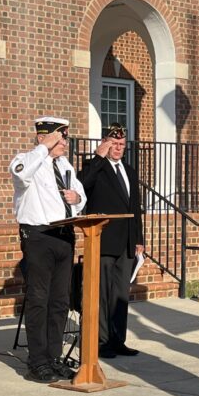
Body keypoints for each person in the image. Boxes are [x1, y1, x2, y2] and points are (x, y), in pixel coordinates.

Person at [10, 117, 86, 383]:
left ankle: (54, 358)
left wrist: (78, 199)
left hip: (65, 235)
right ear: (44, 138)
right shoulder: (27, 160)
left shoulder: (64, 165)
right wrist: (43, 148)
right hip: (39, 237)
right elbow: (20, 173)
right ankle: (37, 361)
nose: (65, 143)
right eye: (60, 138)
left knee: (59, 302)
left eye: (64, 138)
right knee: (39, 299)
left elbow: (79, 194)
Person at [77, 123, 144, 359]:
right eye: (113, 144)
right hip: (103, 241)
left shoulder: (129, 171)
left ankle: (118, 340)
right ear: (105, 143)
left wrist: (138, 238)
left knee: (120, 295)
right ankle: (101, 341)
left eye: (121, 145)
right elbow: (81, 184)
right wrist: (98, 157)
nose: (118, 148)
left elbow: (135, 207)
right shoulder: (96, 167)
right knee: (102, 294)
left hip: (126, 242)